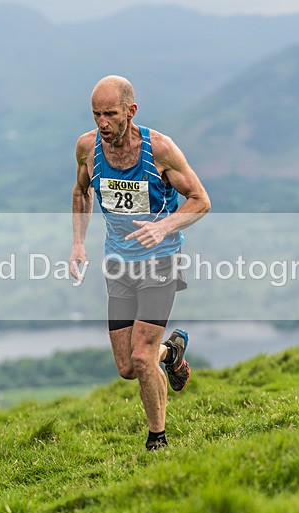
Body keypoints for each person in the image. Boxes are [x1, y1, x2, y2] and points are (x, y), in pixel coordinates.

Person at [69, 75, 210, 451]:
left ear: (131, 111)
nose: (103, 123)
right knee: (127, 367)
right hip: (118, 264)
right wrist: (78, 243)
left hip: (160, 261)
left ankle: (157, 439)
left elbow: (200, 200)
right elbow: (81, 191)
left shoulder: (159, 149)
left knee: (142, 356)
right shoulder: (87, 148)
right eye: (96, 114)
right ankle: (171, 352)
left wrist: (163, 226)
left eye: (111, 114)